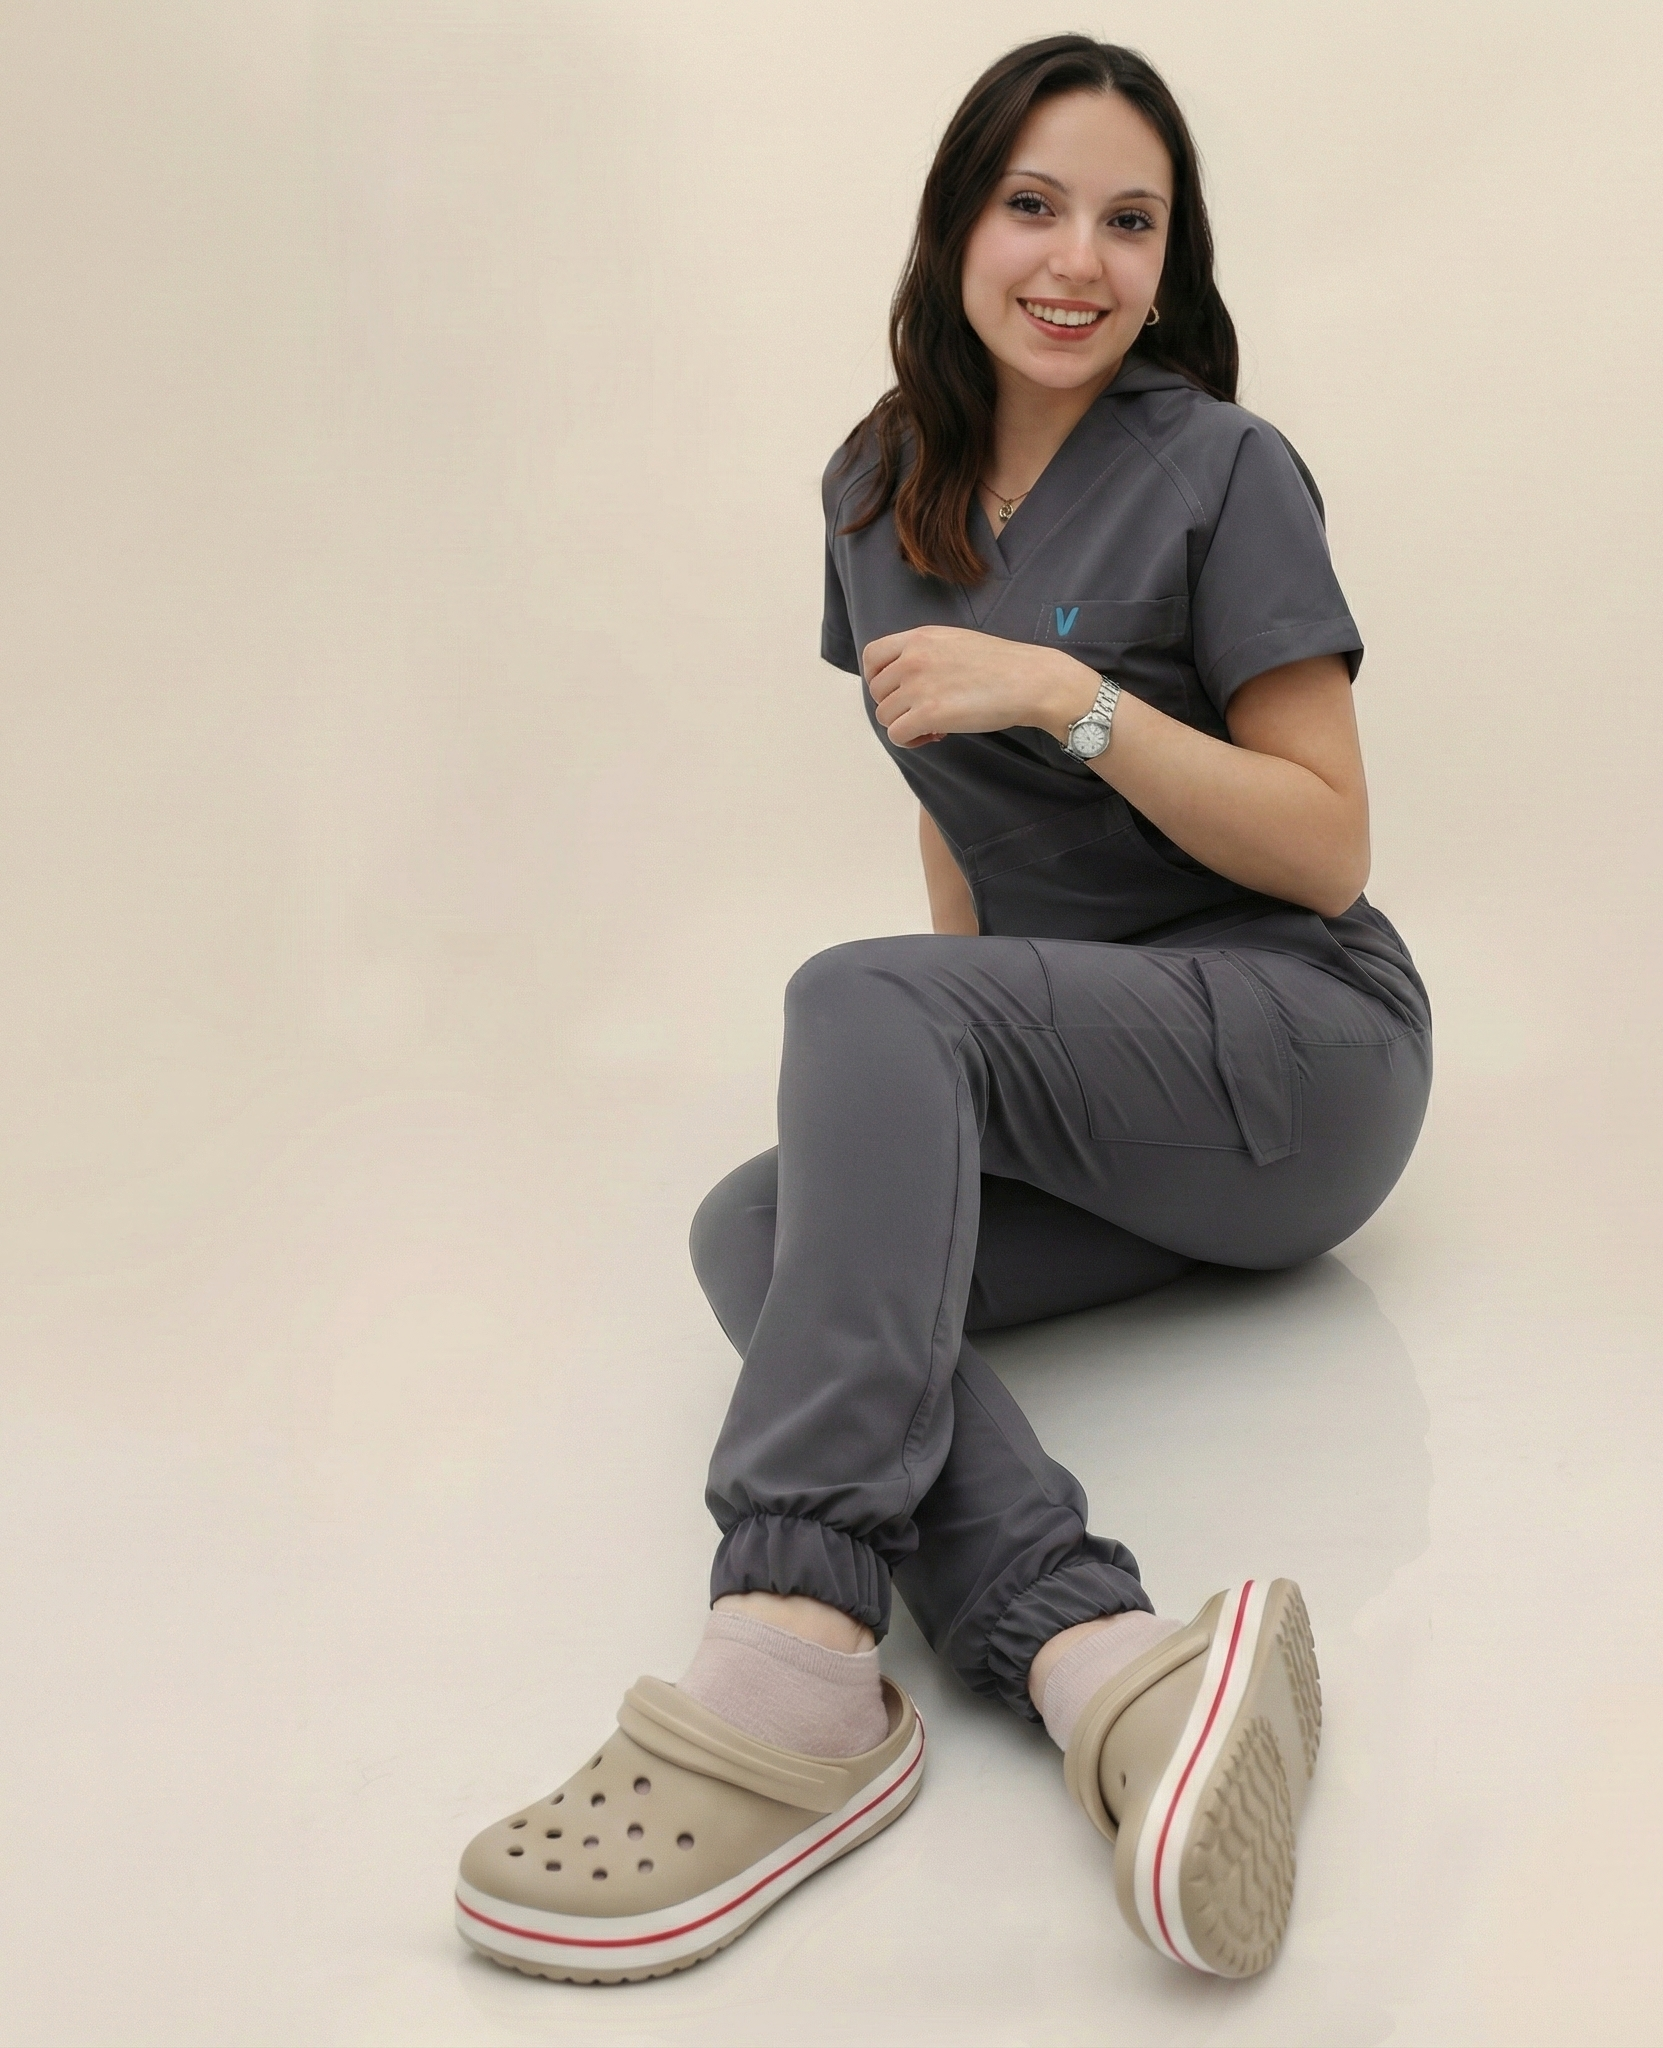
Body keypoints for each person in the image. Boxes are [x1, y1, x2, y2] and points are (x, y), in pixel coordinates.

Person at [453, 33, 1431, 1985]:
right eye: (1033, 204)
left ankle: (793, 1646)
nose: (1078, 259)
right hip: (1105, 1091)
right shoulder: (873, 485)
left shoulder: (1224, 470)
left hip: (1295, 1051)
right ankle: (1104, 1662)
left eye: (1130, 222)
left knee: (856, 1007)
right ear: (956, 222)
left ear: (1171, 261)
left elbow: (1326, 845)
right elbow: (951, 823)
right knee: (759, 1225)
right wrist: (956, 1055)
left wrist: (1066, 696)